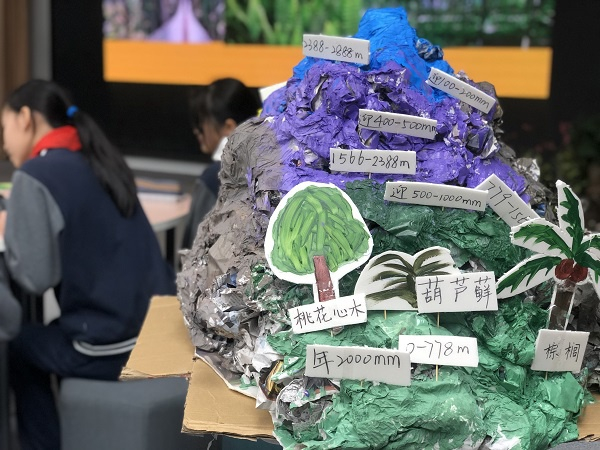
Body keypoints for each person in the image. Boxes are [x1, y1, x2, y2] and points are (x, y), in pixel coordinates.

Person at [0, 79, 176, 450]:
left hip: (109, 347)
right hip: (158, 335)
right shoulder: (100, 159)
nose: (4, 143)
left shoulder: (34, 175)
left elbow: (35, 278)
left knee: (18, 345)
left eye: (4, 128)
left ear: (25, 118)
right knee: (50, 333)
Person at [182, 77, 261, 249]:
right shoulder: (273, 164)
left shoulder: (214, 178)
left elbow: (194, 250)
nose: (197, 130)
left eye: (202, 122)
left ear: (229, 127)